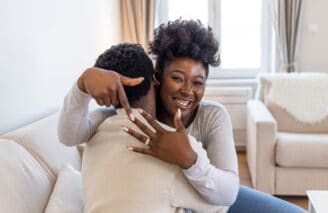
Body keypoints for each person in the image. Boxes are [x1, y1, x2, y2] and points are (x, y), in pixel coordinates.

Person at [58, 19, 306, 212]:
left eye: (198, 82)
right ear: (156, 79)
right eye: (177, 78)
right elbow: (70, 135)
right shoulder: (122, 118)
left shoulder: (212, 117)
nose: (188, 91)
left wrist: (189, 160)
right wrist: (82, 84)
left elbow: (228, 190)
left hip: (210, 193)